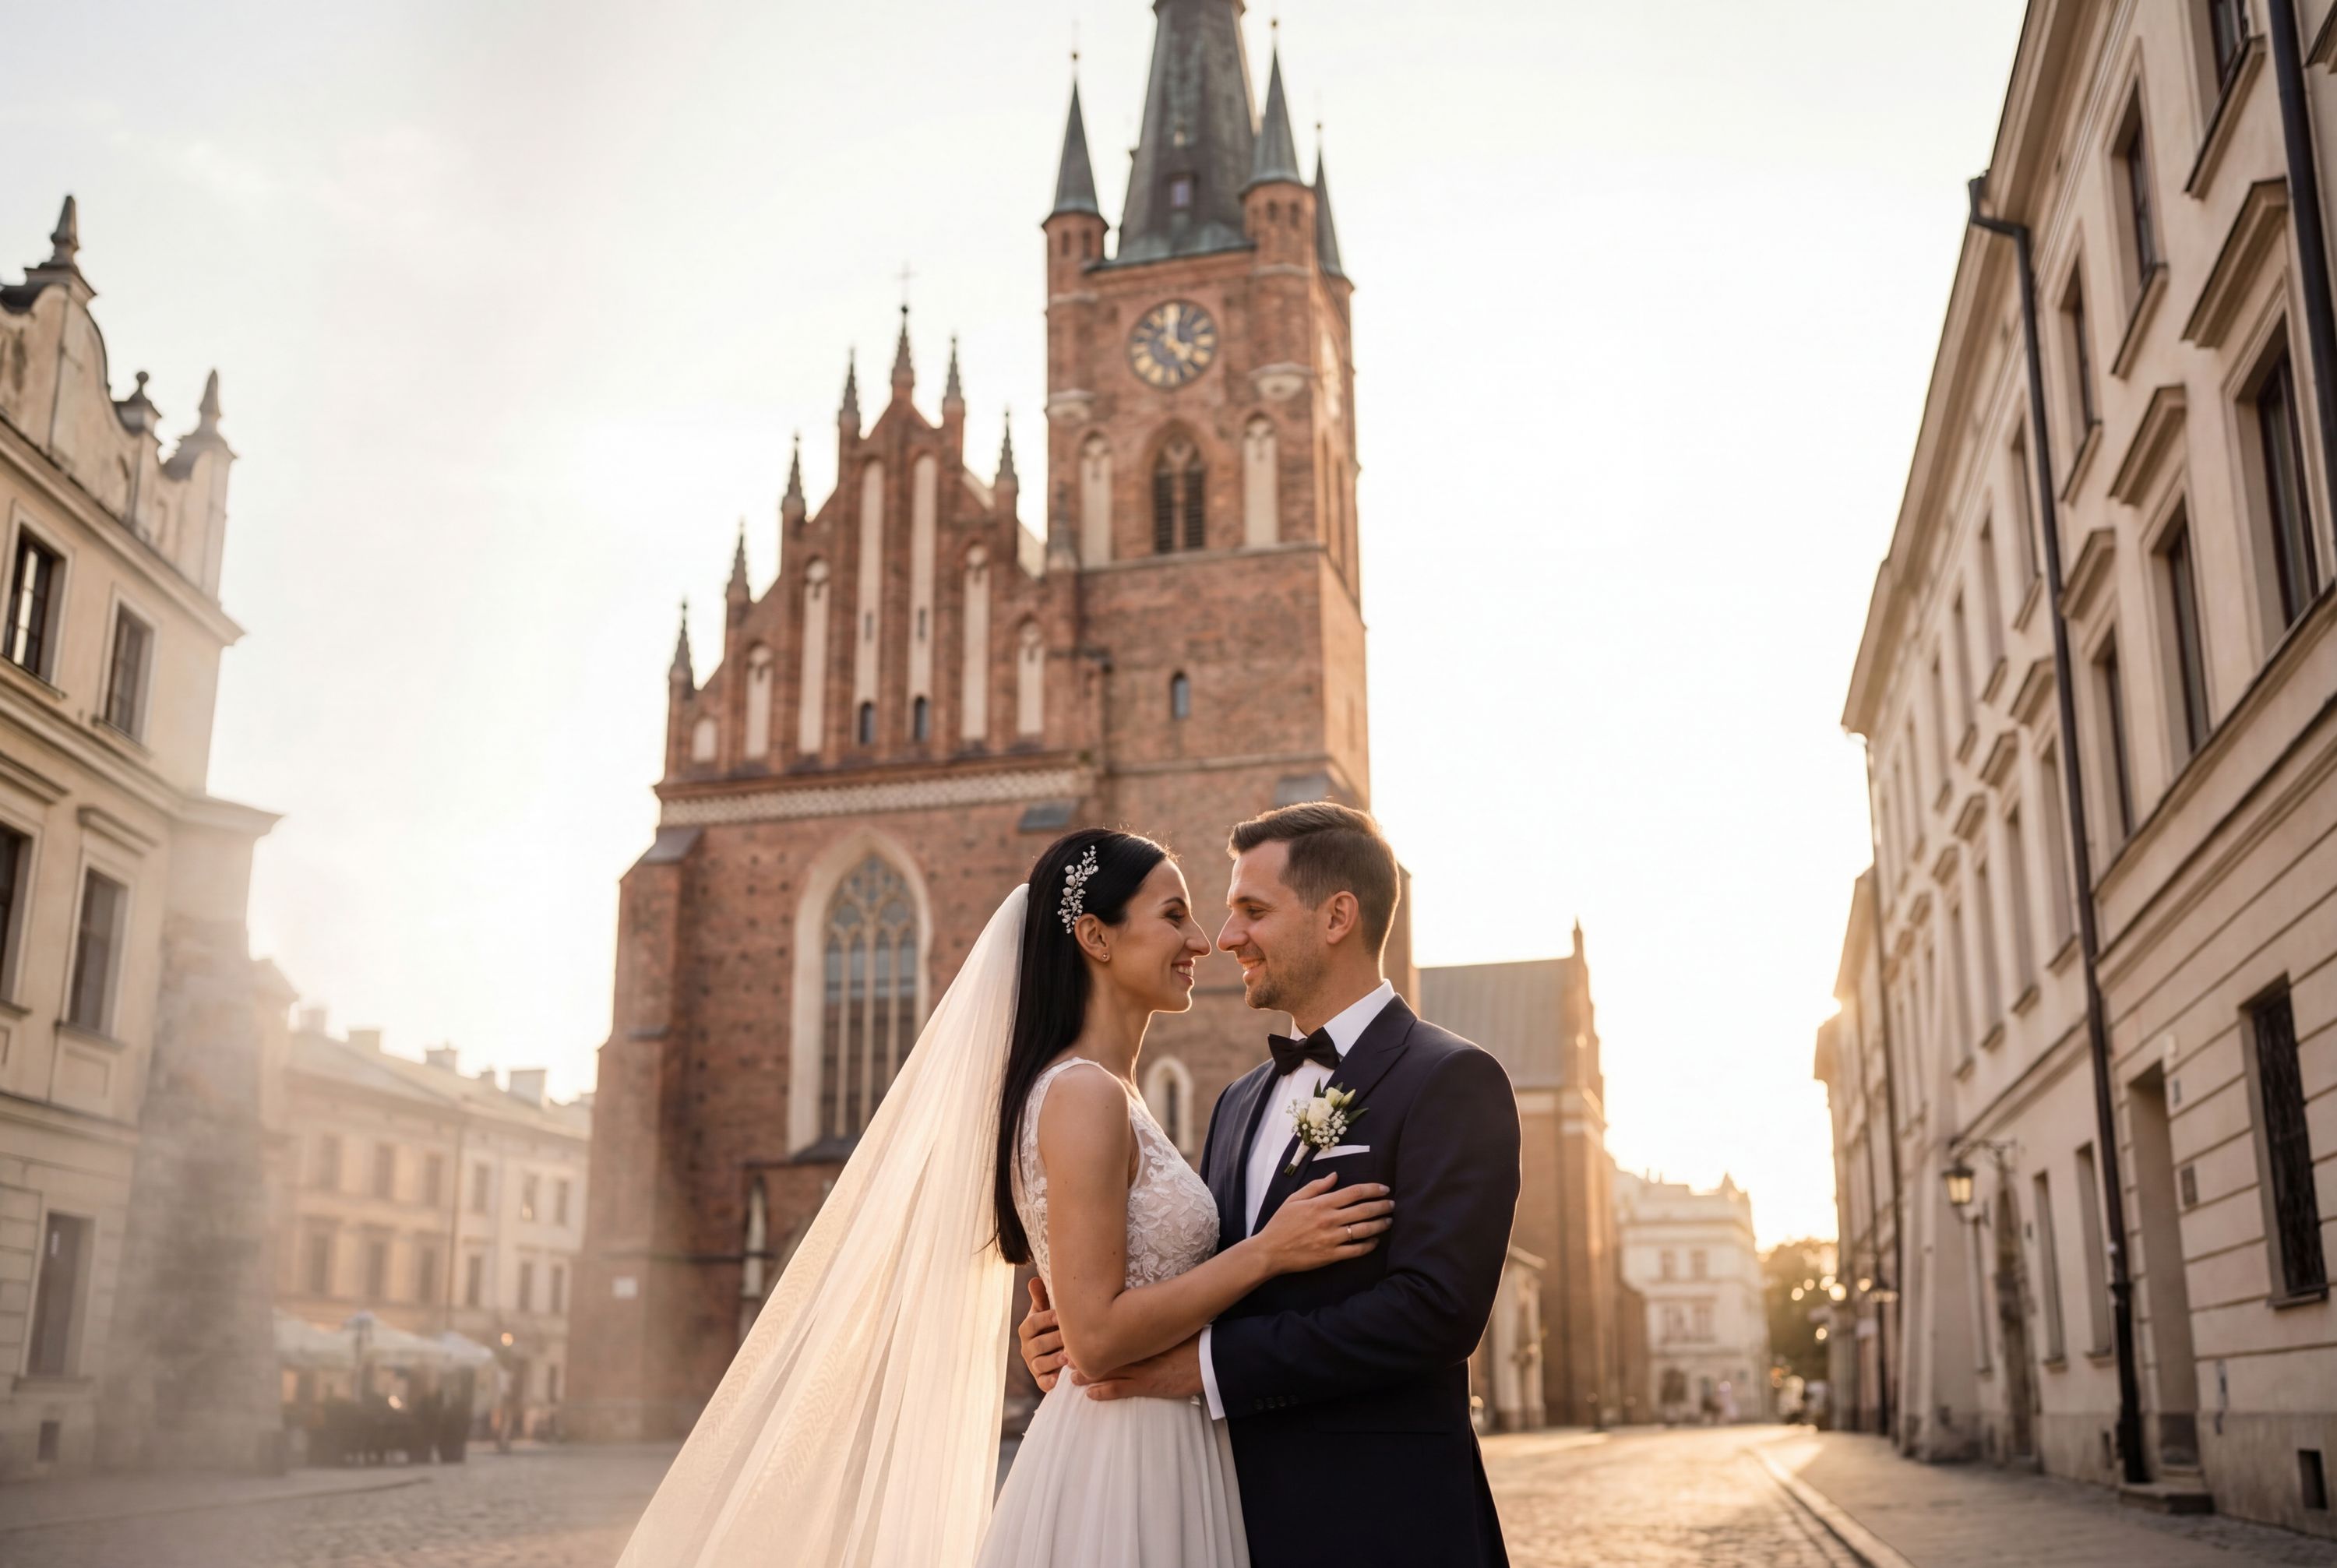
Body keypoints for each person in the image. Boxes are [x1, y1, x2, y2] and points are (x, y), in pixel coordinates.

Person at [613, 823, 1395, 1568]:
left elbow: (1089, 1312)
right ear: (1095, 936)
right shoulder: (1083, 1094)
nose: (1202, 941)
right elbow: (1096, 1338)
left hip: (1156, 1439)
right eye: (1174, 916)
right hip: (1126, 1460)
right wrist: (1267, 1253)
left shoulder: (1107, 1091)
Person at [1020, 803, 1521, 1567]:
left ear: (1336, 918)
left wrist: (1203, 1368)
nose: (1224, 939)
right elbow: (1206, 1274)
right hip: (1222, 1513)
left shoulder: (1452, 1080)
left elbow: (1435, 1313)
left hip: (1384, 1525)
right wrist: (1078, 1337)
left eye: (1253, 911)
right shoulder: (1238, 1101)